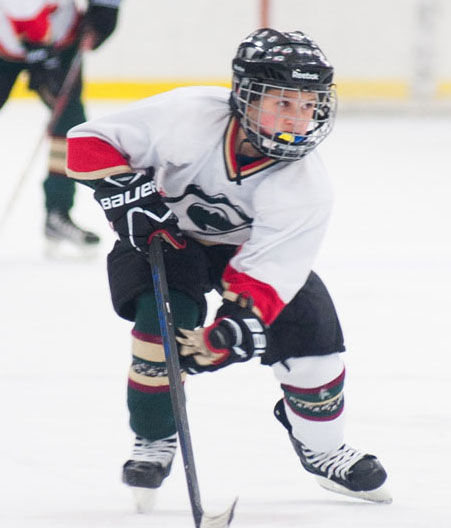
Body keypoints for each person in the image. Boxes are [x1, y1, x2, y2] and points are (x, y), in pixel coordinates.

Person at [66, 28, 392, 504]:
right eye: (283, 103)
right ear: (244, 96)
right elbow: (87, 142)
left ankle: (323, 449)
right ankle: (155, 437)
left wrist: (231, 331)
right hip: (164, 236)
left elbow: (268, 275)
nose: (299, 119)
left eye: (308, 105)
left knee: (313, 347)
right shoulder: (188, 115)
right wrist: (125, 198)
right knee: (159, 331)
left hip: (246, 253)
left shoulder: (305, 187)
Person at [0, 0, 122, 255]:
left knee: (70, 128)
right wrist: (39, 55)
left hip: (61, 40)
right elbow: (24, 13)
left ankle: (58, 215)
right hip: (6, 43)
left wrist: (105, 10)